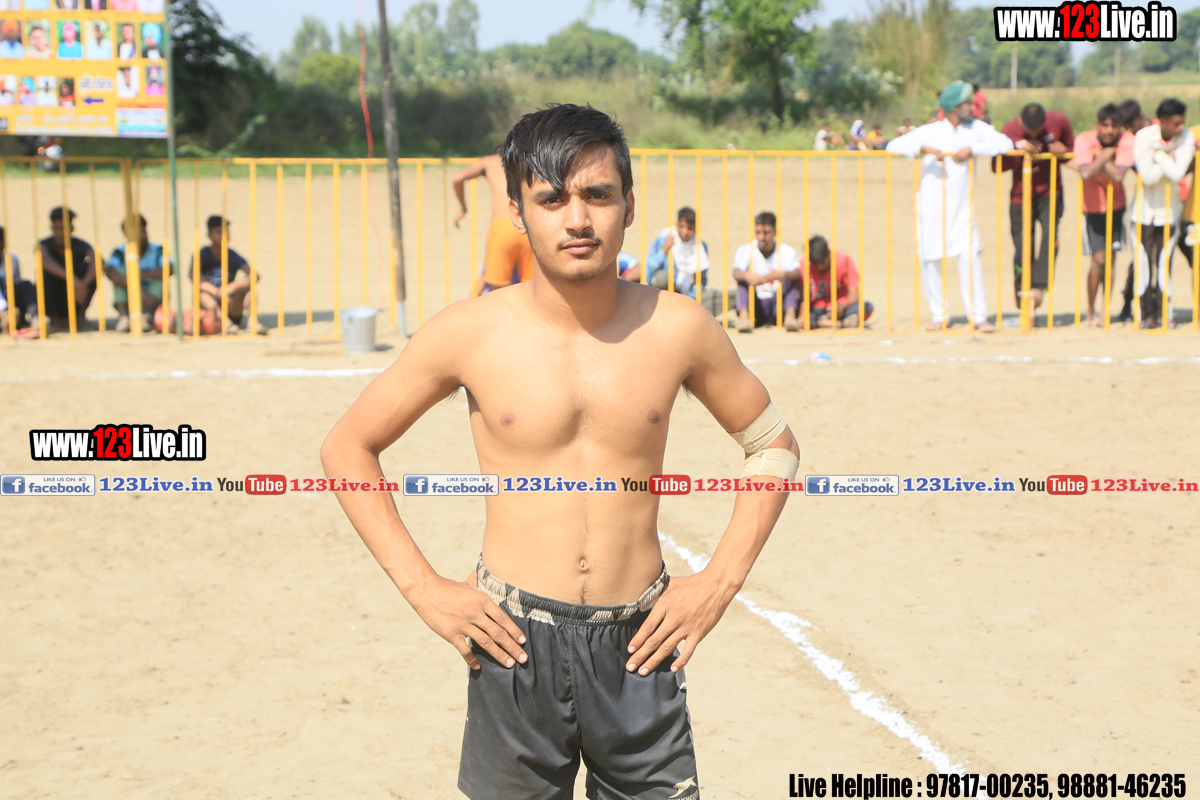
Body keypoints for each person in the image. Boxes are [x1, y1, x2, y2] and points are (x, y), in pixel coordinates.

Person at [320, 102, 798, 800]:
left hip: (641, 645)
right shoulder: (467, 333)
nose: (577, 219)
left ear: (628, 205)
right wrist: (425, 590)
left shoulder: (679, 328)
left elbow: (773, 446)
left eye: (598, 195)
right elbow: (347, 447)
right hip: (513, 643)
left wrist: (718, 583)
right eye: (552, 199)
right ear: (518, 211)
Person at [887, 80, 1012, 331]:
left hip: (963, 209)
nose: (973, 108)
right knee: (930, 259)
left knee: (970, 258)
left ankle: (978, 316)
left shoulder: (976, 129)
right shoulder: (932, 130)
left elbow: (1006, 144)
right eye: (969, 104)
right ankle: (939, 316)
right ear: (956, 107)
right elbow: (893, 146)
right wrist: (923, 148)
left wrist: (972, 149)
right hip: (931, 208)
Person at [995, 103, 1074, 314]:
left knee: (1050, 237)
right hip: (1021, 197)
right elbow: (996, 166)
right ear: (1021, 122)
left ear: (1045, 121)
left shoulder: (1059, 121)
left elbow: (1072, 151)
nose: (1034, 134)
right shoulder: (1009, 130)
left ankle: (1039, 288)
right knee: (1023, 248)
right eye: (1029, 130)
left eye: (1037, 130)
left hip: (1051, 193)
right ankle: (1024, 299)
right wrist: (1019, 151)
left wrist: (1063, 151)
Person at [1067, 103, 1135, 326]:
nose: (1109, 130)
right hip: (1092, 209)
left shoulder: (1126, 140)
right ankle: (1090, 311)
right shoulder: (1085, 139)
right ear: (1097, 125)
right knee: (1098, 260)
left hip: (1116, 208)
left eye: (1114, 126)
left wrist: (1098, 159)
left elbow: (1118, 176)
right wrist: (1106, 156)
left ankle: (1105, 310)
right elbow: (1085, 173)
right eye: (1105, 125)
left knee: (1111, 260)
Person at [1131, 98, 1194, 329]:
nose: (1180, 128)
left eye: (1182, 123)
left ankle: (1164, 314)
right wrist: (1169, 159)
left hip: (1170, 212)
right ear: (1163, 121)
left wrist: (1157, 156)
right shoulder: (1144, 136)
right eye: (1176, 124)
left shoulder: (1186, 137)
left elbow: (1178, 174)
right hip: (1142, 212)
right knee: (1144, 265)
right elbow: (1146, 177)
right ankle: (1145, 315)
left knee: (1164, 265)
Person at [452, 152, 537, 293]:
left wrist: (463, 208)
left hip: (502, 226)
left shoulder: (490, 161)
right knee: (532, 291)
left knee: (496, 293)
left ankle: (472, 303)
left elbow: (458, 177)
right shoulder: (529, 157)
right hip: (529, 225)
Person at [189, 215, 264, 334]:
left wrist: (233, 287)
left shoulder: (232, 255)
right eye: (219, 232)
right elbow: (195, 277)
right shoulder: (202, 254)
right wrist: (217, 292)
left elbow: (254, 275)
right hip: (210, 311)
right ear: (209, 235)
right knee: (202, 294)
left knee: (249, 288)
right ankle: (226, 325)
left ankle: (253, 323)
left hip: (230, 305)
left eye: (226, 232)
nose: (224, 235)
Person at [731, 210, 800, 332]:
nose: (761, 237)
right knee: (742, 280)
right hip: (756, 304)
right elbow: (736, 272)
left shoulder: (787, 251)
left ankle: (790, 316)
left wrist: (779, 274)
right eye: (758, 232)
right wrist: (747, 276)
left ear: (775, 232)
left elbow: (798, 273)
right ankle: (744, 317)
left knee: (790, 279)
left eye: (766, 233)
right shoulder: (746, 249)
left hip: (777, 305)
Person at [104, 214, 174, 333]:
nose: (143, 236)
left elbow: (170, 269)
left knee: (160, 275)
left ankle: (147, 316)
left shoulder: (158, 250)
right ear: (127, 234)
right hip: (131, 299)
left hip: (153, 301)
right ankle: (124, 317)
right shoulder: (119, 252)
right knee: (119, 272)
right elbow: (111, 272)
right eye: (139, 233)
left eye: (144, 231)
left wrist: (140, 275)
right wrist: (140, 292)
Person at [1115, 99, 1152, 321]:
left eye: (1131, 124)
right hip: (1146, 204)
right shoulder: (1129, 140)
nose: (1129, 129)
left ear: (1141, 116)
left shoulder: (1161, 129)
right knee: (1141, 258)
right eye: (1125, 126)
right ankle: (1128, 303)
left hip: (1174, 201)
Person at [794, 235, 873, 329]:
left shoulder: (844, 260)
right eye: (815, 264)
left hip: (840, 307)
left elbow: (855, 296)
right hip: (815, 309)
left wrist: (841, 307)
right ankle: (839, 323)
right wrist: (802, 315)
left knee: (866, 307)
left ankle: (822, 322)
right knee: (792, 310)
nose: (819, 267)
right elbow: (803, 297)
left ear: (829, 253)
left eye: (822, 262)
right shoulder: (804, 264)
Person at [38, 206, 97, 331]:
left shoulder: (80, 244)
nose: (60, 233)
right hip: (55, 295)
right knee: (43, 272)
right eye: (57, 228)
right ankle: (54, 318)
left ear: (71, 229)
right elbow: (44, 260)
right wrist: (73, 279)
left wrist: (83, 284)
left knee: (90, 268)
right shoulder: (44, 244)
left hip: (77, 295)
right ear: (52, 228)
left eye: (64, 228)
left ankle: (80, 317)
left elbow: (98, 260)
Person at [644, 206, 709, 297]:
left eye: (690, 228)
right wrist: (664, 250)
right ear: (676, 225)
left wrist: (689, 298)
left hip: (685, 294)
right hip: (661, 293)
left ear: (695, 229)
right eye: (682, 226)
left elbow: (701, 281)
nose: (685, 232)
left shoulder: (700, 247)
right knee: (662, 278)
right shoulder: (662, 241)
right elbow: (648, 274)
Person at [0, 225, 40, 335]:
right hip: (3, 309)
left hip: (11, 302)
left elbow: (16, 285)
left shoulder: (12, 259)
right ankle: (6, 318)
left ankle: (35, 319)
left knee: (26, 285)